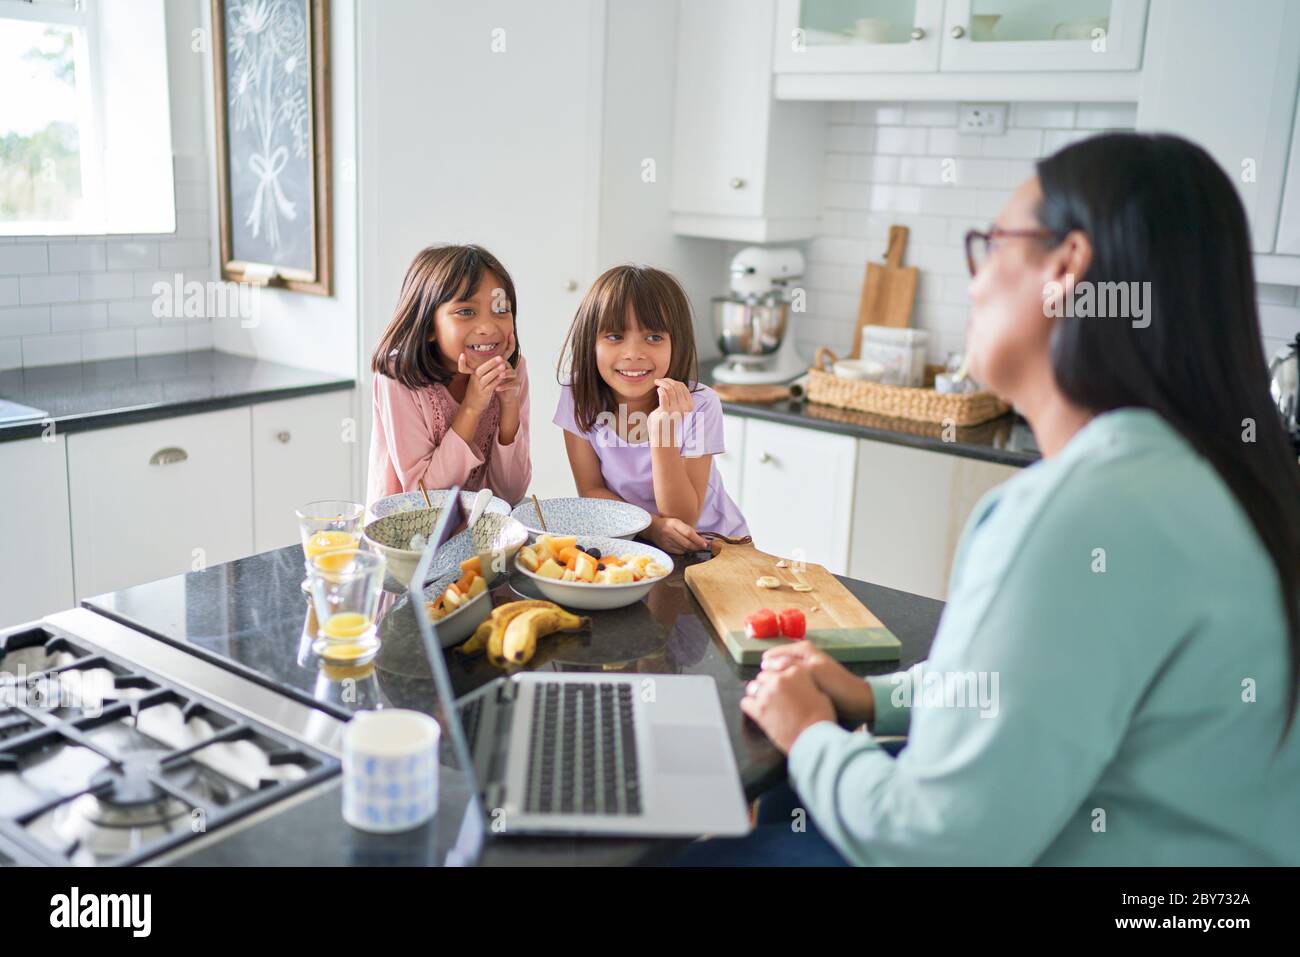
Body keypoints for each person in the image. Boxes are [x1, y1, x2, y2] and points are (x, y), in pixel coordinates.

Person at [683, 132, 1300, 866]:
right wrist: (871, 699)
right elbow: (1030, 692)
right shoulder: (1219, 474)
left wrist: (810, 731)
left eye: (991, 244)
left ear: (1066, 269)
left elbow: (934, 844)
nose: (973, 283)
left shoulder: (1081, 513)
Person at [554, 264, 748, 553]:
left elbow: (683, 519)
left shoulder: (701, 405)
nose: (633, 353)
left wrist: (663, 434)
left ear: (677, 343)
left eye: (654, 337)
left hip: (712, 545)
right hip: (632, 537)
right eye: (614, 336)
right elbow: (591, 491)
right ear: (590, 342)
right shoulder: (577, 393)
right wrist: (651, 527)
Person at [367, 244, 531, 507]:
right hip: (407, 538)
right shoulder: (398, 377)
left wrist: (509, 407)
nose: (488, 326)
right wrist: (472, 406)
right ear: (428, 325)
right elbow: (426, 499)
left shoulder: (513, 370)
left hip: (480, 534)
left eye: (501, 310)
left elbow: (510, 494)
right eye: (466, 312)